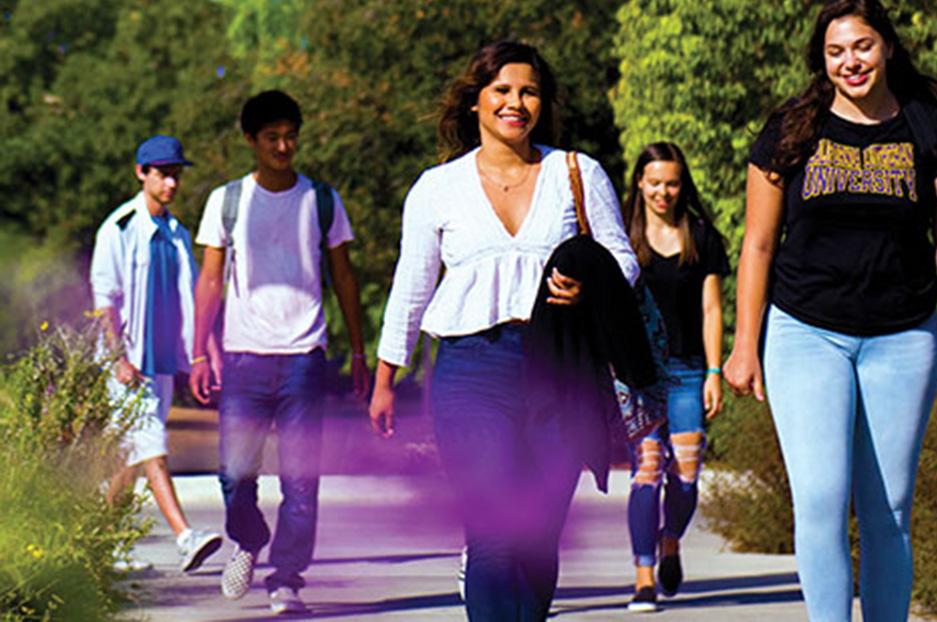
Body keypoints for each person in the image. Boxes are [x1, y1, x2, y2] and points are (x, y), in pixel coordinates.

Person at [722, 0, 937, 620]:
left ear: (888, 47)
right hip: (805, 332)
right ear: (822, 59)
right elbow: (758, 244)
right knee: (820, 497)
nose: (851, 62)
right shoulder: (791, 130)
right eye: (836, 51)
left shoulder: (931, 129)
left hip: (902, 337)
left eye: (862, 46)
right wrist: (742, 343)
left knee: (889, 508)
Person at [368, 41, 638, 622]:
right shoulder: (437, 187)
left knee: (539, 538)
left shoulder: (577, 173)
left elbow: (624, 258)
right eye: (503, 90)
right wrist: (385, 377)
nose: (516, 102)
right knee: (492, 534)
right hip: (471, 371)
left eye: (530, 92)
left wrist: (591, 282)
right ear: (476, 101)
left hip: (559, 371)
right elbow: (411, 287)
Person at [189, 90, 370, 615]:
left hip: (304, 358)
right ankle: (248, 539)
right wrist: (200, 351)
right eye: (272, 138)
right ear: (251, 141)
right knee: (233, 473)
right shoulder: (227, 201)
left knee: (301, 481)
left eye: (290, 136)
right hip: (244, 358)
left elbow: (344, 276)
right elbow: (210, 279)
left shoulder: (321, 200)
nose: (284, 146)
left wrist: (359, 352)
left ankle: (287, 576)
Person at [90, 135, 223, 574]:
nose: (171, 182)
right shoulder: (119, 227)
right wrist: (118, 358)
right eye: (162, 174)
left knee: (133, 456)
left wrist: (204, 351)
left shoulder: (177, 232)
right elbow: (104, 299)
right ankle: (186, 538)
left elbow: (189, 297)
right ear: (141, 173)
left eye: (176, 174)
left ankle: (99, 545)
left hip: (164, 360)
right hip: (129, 363)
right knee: (152, 445)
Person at [620, 142, 728, 612]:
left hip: (687, 371)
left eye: (672, 183)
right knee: (647, 469)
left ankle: (670, 540)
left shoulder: (702, 236)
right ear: (639, 183)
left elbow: (711, 308)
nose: (663, 191)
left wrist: (714, 371)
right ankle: (643, 576)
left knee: (685, 477)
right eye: (655, 182)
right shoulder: (621, 236)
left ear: (681, 186)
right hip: (636, 376)